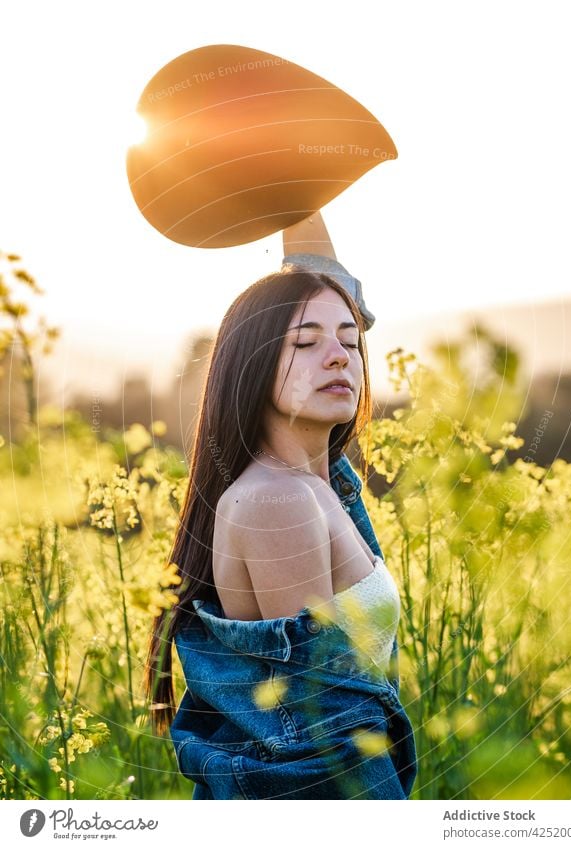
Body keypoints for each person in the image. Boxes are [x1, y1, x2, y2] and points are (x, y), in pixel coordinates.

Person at [144, 213, 418, 799]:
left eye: (350, 342)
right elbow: (320, 745)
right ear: (252, 360)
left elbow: (328, 289)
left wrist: (297, 189)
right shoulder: (279, 500)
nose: (341, 356)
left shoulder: (316, 482)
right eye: (305, 343)